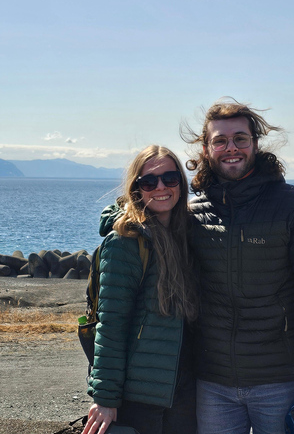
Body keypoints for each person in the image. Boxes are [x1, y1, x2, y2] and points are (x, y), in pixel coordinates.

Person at [182, 99, 294, 434]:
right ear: (206, 147)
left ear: (255, 143)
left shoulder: (292, 204)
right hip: (212, 382)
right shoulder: (192, 212)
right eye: (220, 140)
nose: (231, 148)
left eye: (240, 138)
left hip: (281, 380)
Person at [83, 145, 199, 434]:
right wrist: (106, 398)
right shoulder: (125, 241)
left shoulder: (185, 234)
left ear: (181, 184)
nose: (160, 187)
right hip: (140, 398)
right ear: (137, 188)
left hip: (183, 392)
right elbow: (111, 326)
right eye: (149, 181)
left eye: (170, 178)